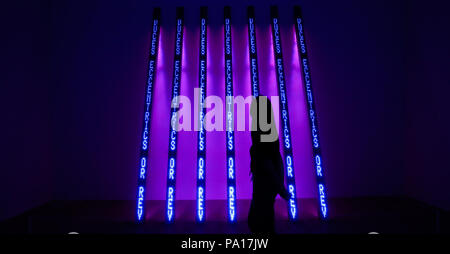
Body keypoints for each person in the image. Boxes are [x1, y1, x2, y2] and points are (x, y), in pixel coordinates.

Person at [248, 96, 290, 233]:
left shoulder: (262, 131)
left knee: (258, 222)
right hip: (267, 181)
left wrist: (279, 187)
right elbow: (276, 158)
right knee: (263, 220)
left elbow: (267, 160)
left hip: (265, 182)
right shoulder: (268, 129)